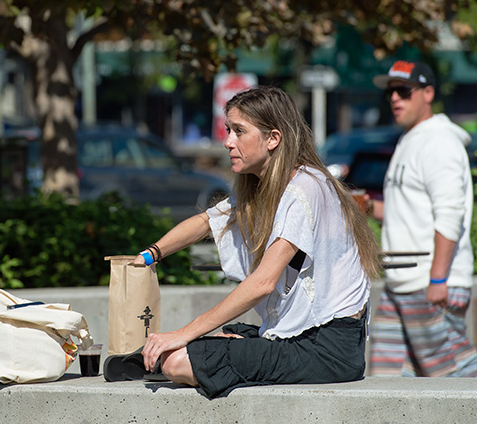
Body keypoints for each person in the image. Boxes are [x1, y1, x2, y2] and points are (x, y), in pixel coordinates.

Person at [104, 86, 380, 398]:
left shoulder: (305, 189)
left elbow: (263, 282)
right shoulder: (267, 188)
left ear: (273, 138)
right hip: (296, 335)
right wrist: (150, 255)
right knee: (217, 340)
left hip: (328, 348)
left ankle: (163, 361)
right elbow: (206, 222)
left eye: (239, 131)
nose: (227, 142)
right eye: (228, 130)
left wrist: (182, 333)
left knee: (178, 361)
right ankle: (162, 358)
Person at [368, 60, 477, 377]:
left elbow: (450, 213)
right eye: (390, 92)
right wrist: (365, 207)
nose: (395, 98)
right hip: (400, 283)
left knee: (455, 378)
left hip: (430, 283)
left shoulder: (439, 141)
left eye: (404, 91)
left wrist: (438, 279)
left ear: (428, 93)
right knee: (386, 381)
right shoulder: (410, 139)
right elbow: (403, 212)